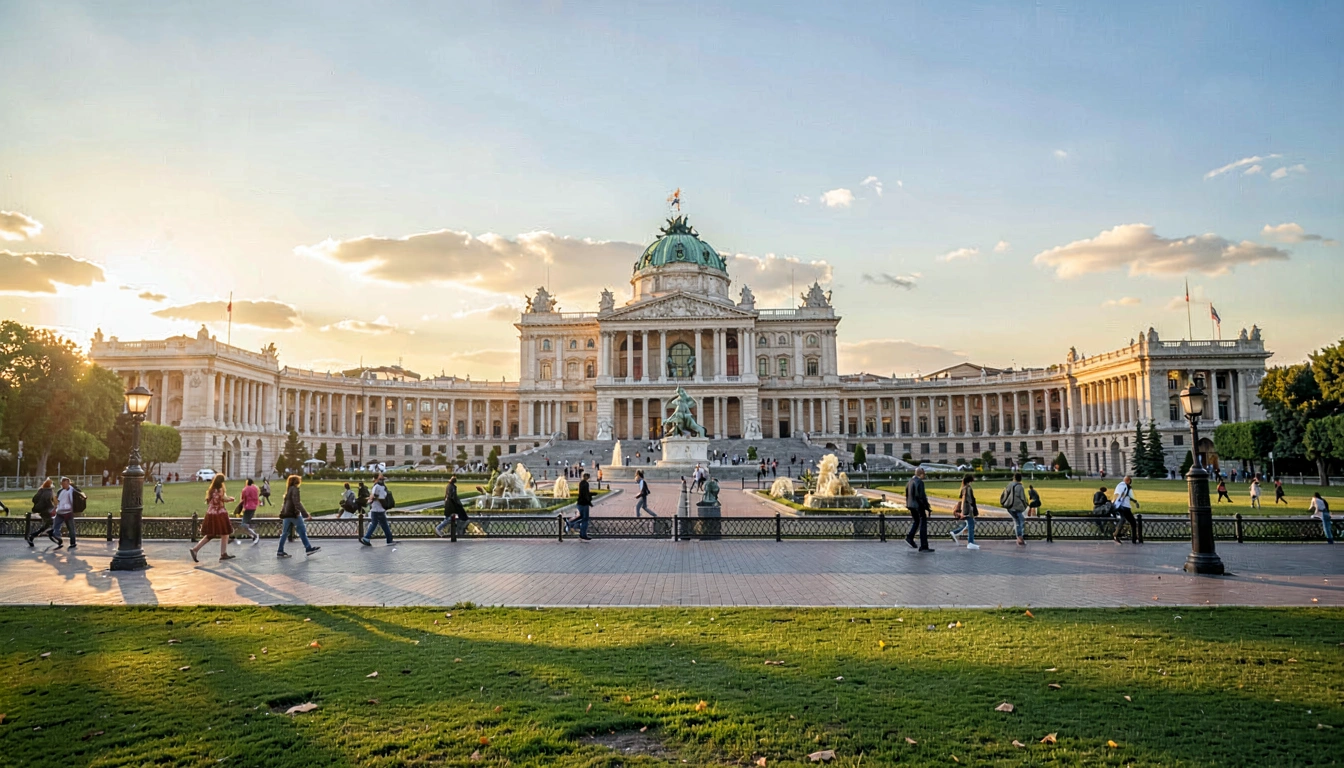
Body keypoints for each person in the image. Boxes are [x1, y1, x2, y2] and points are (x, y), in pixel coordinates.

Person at [189, 475, 237, 563]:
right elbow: (223, 498)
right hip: (220, 513)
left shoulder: (211, 490)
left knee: (211, 534)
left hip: (210, 513)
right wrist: (231, 499)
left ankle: (196, 549)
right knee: (225, 532)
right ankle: (222, 553)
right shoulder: (220, 489)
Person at [277, 474, 321, 558]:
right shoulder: (295, 489)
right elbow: (297, 503)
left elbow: (285, 504)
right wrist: (305, 514)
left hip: (286, 514)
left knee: (284, 533)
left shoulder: (288, 490)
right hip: (294, 514)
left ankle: (280, 550)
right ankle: (308, 548)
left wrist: (283, 513)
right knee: (302, 531)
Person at [51, 477, 86, 550]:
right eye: (62, 484)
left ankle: (73, 543)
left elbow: (80, 494)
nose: (64, 485)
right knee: (56, 526)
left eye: (65, 484)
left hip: (68, 512)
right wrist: (55, 507)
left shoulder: (73, 490)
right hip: (60, 512)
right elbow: (57, 500)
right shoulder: (60, 491)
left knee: (71, 528)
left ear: (68, 483)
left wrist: (83, 497)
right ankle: (58, 539)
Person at [360, 474, 394, 546]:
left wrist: (370, 500)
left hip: (376, 509)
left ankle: (367, 537)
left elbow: (374, 497)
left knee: (376, 523)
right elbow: (380, 497)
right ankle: (389, 540)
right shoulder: (381, 487)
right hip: (379, 509)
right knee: (383, 524)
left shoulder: (376, 486)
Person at [904, 467, 933, 552]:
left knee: (917, 521)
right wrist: (927, 507)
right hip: (918, 505)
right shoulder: (919, 482)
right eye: (924, 474)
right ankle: (924, 545)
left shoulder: (910, 481)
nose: (924, 476)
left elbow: (907, 494)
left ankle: (910, 537)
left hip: (910, 505)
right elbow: (921, 496)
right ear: (921, 474)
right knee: (923, 523)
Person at [950, 474, 980, 550]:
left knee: (969, 525)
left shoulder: (964, 488)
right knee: (971, 526)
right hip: (968, 510)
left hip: (966, 509)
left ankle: (955, 532)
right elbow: (969, 501)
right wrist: (967, 511)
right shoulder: (968, 488)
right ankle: (970, 542)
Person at [26, 479, 57, 546]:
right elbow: (47, 501)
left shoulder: (41, 490)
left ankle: (33, 536)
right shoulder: (49, 491)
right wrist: (53, 507)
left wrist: (38, 505)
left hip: (40, 510)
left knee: (47, 524)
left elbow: (34, 499)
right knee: (53, 522)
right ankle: (48, 533)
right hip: (46, 510)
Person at [1000, 473, 1028, 546]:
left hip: (1010, 506)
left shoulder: (1009, 485)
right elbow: (1023, 498)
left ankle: (1018, 537)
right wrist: (1026, 505)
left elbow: (1005, 494)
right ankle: (1020, 537)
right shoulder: (1020, 487)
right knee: (1021, 521)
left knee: (1017, 521)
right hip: (1017, 507)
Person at [1112, 474, 1139, 544]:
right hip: (1125, 507)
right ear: (1128, 481)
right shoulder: (1125, 486)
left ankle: (1117, 534)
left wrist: (1115, 502)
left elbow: (1120, 495)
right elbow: (1126, 495)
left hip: (1120, 506)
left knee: (1124, 519)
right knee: (1132, 522)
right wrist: (1136, 502)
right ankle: (1133, 538)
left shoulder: (1121, 486)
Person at [236, 478, 261, 544]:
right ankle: (252, 535)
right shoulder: (255, 489)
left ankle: (254, 535)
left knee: (243, 524)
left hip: (248, 507)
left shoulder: (245, 489)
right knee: (246, 523)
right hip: (254, 507)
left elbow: (242, 499)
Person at [572, 472, 593, 540]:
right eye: (588, 477)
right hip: (584, 504)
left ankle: (576, 529)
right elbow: (586, 494)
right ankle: (583, 534)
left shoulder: (581, 483)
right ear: (586, 477)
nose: (588, 478)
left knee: (579, 518)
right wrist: (589, 502)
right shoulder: (586, 484)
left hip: (580, 503)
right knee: (585, 519)